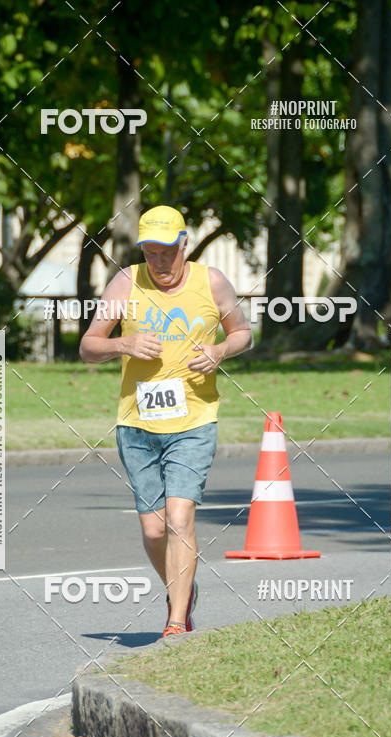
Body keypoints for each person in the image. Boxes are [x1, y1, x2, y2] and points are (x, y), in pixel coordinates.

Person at [80, 205, 252, 637]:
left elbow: (242, 332)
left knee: (179, 518)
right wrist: (125, 344)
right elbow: (87, 346)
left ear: (184, 245)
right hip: (137, 423)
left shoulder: (211, 281)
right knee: (155, 530)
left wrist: (219, 352)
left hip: (194, 420)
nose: (158, 262)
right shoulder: (126, 281)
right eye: (150, 253)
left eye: (166, 252)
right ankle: (184, 592)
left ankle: (176, 622)